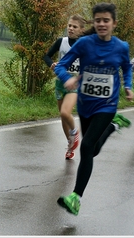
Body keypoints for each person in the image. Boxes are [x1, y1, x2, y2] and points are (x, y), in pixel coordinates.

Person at [54, 2, 134, 216]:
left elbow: (126, 67)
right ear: (94, 21)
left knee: (86, 147)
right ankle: (114, 126)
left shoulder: (121, 47)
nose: (101, 24)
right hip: (86, 104)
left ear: (114, 23)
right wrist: (67, 79)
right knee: (93, 149)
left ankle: (76, 197)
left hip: (107, 105)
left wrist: (128, 86)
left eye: (106, 20)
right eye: (98, 20)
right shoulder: (84, 44)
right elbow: (61, 65)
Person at [42, 14, 88, 160]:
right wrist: (52, 64)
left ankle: (74, 132)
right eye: (69, 25)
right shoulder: (61, 42)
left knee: (64, 112)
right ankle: (70, 144)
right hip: (60, 82)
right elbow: (46, 56)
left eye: (74, 27)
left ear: (81, 30)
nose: (71, 28)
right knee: (63, 117)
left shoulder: (84, 45)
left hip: (75, 83)